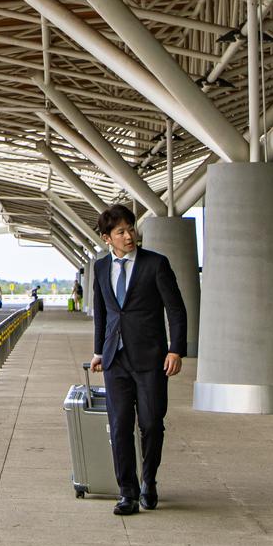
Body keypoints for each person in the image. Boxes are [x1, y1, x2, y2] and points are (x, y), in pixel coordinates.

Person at [90, 204, 187, 517]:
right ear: (108, 238)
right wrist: (97, 352)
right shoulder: (101, 268)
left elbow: (176, 309)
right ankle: (127, 493)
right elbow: (102, 313)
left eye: (131, 228)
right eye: (121, 231)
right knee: (119, 427)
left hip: (151, 359)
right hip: (115, 359)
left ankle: (149, 481)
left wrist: (176, 349)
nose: (129, 235)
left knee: (151, 424)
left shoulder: (156, 264)